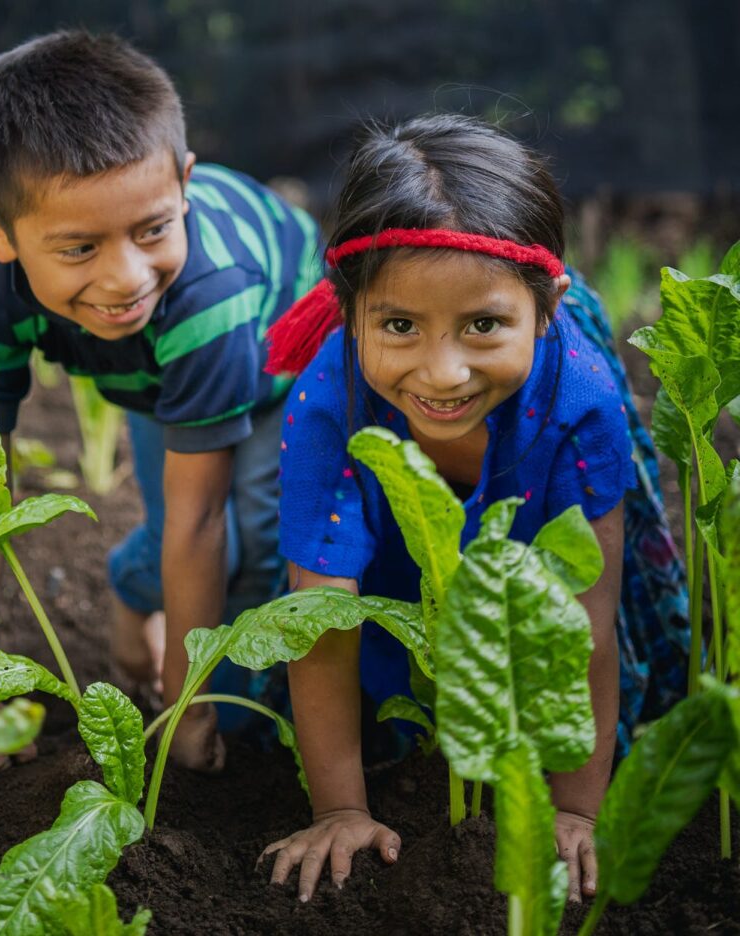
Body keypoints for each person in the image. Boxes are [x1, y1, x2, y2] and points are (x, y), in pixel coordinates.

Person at [259, 115, 689, 904]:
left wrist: (574, 813)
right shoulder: (329, 402)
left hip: (531, 637)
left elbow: (586, 627)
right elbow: (318, 619)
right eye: (398, 325)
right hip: (389, 593)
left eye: (484, 325)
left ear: (549, 307)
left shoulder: (583, 402)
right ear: (348, 310)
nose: (444, 371)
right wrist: (342, 809)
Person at [0, 30, 321, 772]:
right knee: (203, 539)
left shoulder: (210, 289)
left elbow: (199, 517)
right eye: (80, 248)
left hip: (281, 362)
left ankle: (238, 716)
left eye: (153, 228)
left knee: (252, 540)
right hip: (159, 376)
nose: (125, 277)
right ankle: (135, 590)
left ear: (183, 183)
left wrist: (190, 706)